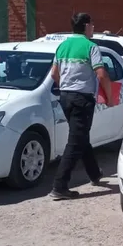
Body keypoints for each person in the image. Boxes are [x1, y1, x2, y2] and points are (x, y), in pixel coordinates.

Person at [49, 12, 114, 200]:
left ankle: (94, 173)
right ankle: (59, 186)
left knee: (81, 136)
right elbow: (101, 75)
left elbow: (54, 74)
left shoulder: (62, 46)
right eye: (92, 24)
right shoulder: (91, 47)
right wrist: (109, 98)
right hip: (82, 99)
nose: (93, 27)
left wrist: (66, 87)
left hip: (66, 97)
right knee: (76, 141)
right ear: (86, 26)